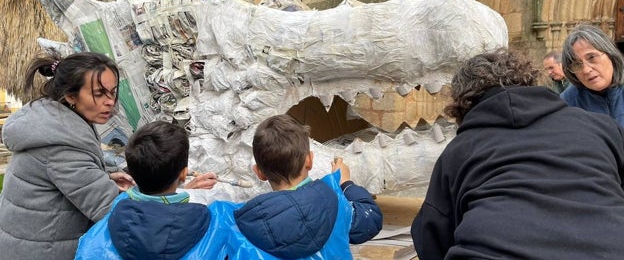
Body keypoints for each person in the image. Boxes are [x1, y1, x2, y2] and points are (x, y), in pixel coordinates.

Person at [411, 48, 624, 260]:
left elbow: (430, 237)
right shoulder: (601, 127)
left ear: (463, 102)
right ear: (528, 80)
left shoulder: (458, 151)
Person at [0, 52, 215, 260]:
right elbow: (119, 214)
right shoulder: (61, 145)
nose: (110, 101)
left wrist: (104, 176)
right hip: (43, 251)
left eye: (112, 92)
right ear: (70, 96)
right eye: (99, 93)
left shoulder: (55, 121)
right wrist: (175, 190)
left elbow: (70, 180)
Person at [225, 114, 383, 259]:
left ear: (259, 172)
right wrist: (345, 184)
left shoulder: (245, 222)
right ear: (309, 161)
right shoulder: (335, 204)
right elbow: (371, 219)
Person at [75, 120, 226, 259]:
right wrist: (188, 193)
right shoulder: (213, 226)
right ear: (184, 174)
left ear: (132, 173)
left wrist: (184, 189)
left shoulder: (101, 230)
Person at [560, 23, 624, 126]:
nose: (586, 70)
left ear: (610, 55)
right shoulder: (567, 104)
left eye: (592, 57)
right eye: (576, 64)